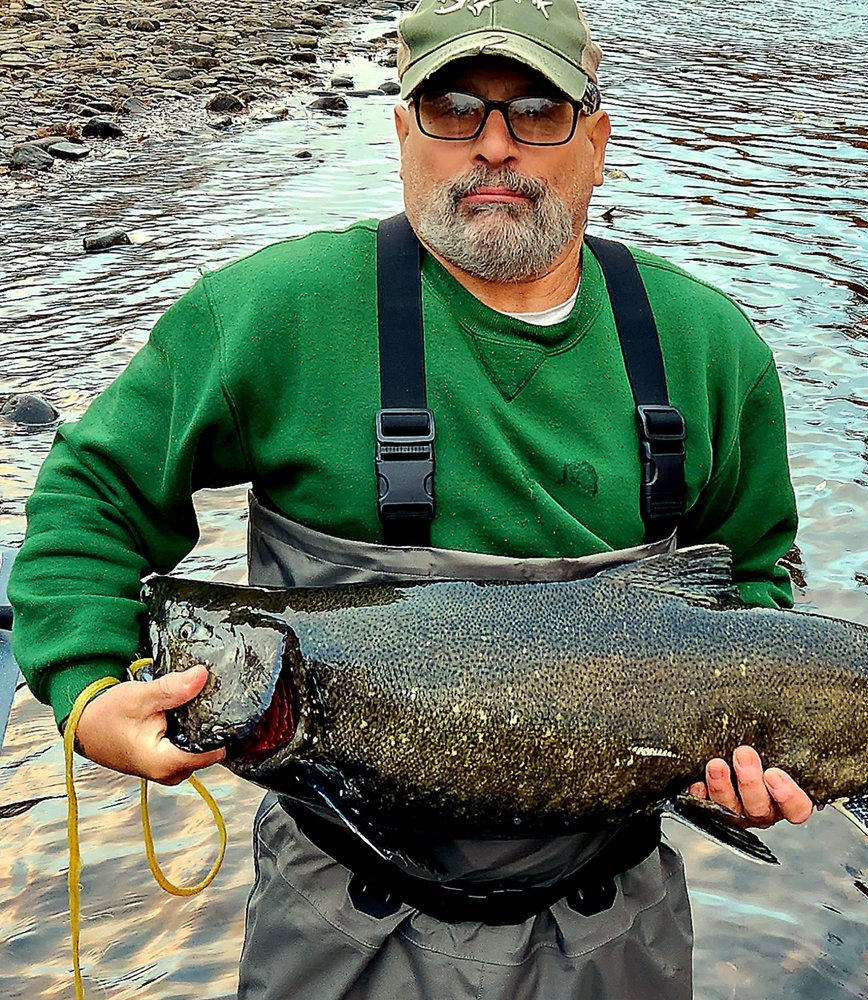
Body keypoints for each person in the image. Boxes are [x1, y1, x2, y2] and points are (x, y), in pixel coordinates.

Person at [10, 0, 813, 995]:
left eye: (535, 111)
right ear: (401, 133)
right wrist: (86, 691)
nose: (491, 145)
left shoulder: (709, 348)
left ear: (596, 142)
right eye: (453, 108)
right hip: (343, 925)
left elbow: (758, 580)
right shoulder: (273, 313)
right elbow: (90, 495)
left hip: (617, 930)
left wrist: (753, 745)